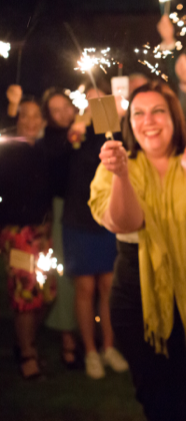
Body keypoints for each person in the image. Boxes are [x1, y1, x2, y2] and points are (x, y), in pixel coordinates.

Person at [90, 81, 186, 420]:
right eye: (139, 113)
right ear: (128, 122)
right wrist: (122, 176)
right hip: (138, 296)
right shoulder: (114, 165)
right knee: (159, 400)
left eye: (158, 111)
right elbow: (125, 223)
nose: (148, 120)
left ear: (175, 117)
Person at [59, 87, 127, 379]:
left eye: (100, 98)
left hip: (107, 218)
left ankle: (109, 346)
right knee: (85, 288)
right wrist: (80, 126)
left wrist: (119, 121)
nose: (94, 103)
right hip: (78, 219)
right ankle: (89, 350)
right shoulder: (74, 131)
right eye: (89, 98)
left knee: (109, 286)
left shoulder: (113, 131)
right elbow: (61, 165)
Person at [0, 97, 54, 380]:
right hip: (18, 232)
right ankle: (26, 354)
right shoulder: (9, 150)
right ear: (17, 120)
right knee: (25, 295)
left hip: (42, 233)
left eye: (36, 117)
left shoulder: (42, 150)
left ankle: (25, 343)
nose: (31, 121)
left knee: (46, 293)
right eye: (25, 116)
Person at [41, 88, 81, 369]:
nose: (63, 113)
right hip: (61, 210)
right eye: (55, 110)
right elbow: (58, 163)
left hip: (88, 210)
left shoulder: (83, 128)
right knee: (66, 273)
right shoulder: (53, 140)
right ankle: (68, 337)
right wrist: (73, 135)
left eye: (65, 106)